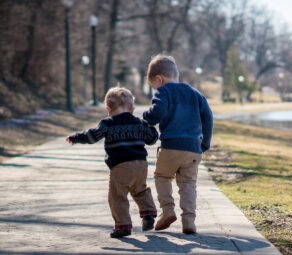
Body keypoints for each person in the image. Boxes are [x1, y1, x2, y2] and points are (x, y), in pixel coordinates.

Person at [66, 87, 159, 238]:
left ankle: (123, 226)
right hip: (140, 164)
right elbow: (152, 139)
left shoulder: (107, 124)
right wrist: (151, 127)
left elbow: (92, 136)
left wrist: (76, 137)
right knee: (140, 190)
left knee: (117, 196)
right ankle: (148, 214)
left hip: (120, 166)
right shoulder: (138, 122)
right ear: (131, 109)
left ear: (108, 109)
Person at [143, 54, 213, 234]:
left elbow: (158, 112)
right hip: (193, 148)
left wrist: (146, 117)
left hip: (171, 146)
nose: (154, 90)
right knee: (188, 183)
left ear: (160, 79)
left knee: (162, 176)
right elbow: (208, 117)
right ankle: (189, 221)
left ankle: (167, 211)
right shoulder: (195, 93)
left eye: (153, 86)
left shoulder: (163, 91)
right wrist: (204, 143)